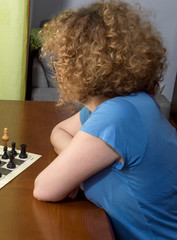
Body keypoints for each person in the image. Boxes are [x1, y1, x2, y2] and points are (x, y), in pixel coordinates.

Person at [32, 1, 177, 239]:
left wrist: (75, 172)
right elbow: (58, 131)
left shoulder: (118, 115)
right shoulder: (123, 104)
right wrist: (77, 166)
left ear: (76, 65)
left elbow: (44, 188)